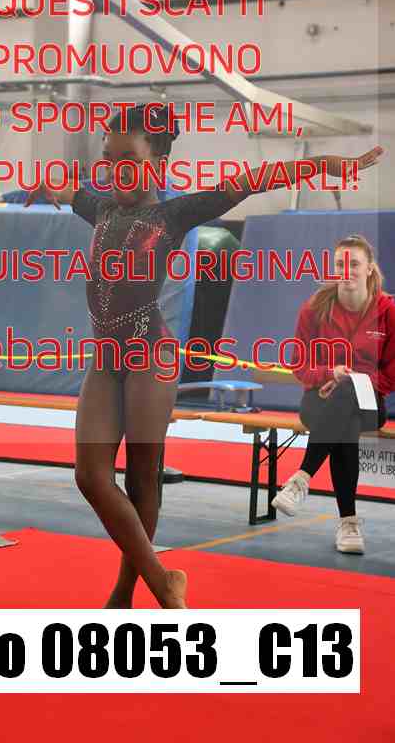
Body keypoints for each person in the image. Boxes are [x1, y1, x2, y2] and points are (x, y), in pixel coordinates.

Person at [26, 104, 383, 605]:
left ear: (159, 162)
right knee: (90, 476)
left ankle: (125, 591)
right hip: (106, 360)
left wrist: (324, 164)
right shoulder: (100, 208)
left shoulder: (172, 215)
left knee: (142, 475)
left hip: (150, 355)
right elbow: (65, 191)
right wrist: (44, 188)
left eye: (128, 160)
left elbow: (256, 179)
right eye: (108, 160)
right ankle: (164, 580)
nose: (115, 171)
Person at [272, 234, 395, 554]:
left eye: (354, 264)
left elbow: (392, 371)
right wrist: (329, 373)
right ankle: (348, 524)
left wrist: (356, 381)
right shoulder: (314, 308)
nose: (346, 270)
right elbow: (299, 364)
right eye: (340, 263)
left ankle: (301, 479)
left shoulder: (388, 310)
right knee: (345, 422)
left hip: (369, 402)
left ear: (369, 268)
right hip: (319, 400)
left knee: (349, 396)